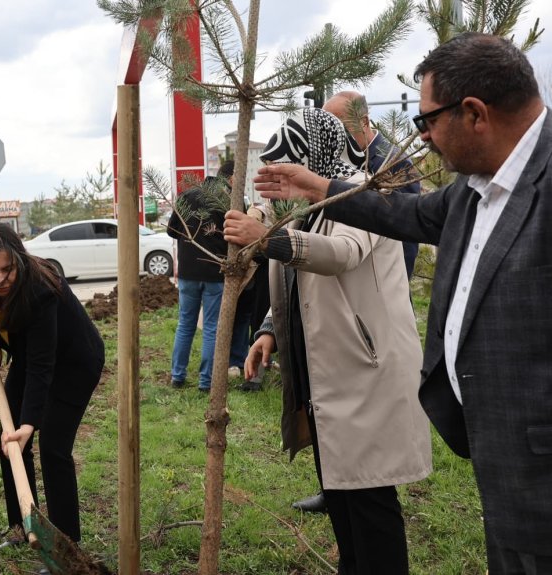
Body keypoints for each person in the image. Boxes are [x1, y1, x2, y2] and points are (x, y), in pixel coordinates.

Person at [254, 32, 552, 574]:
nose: (423, 139)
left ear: (474, 113)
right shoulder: (476, 187)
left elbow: (344, 252)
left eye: (426, 121)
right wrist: (318, 187)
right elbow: (407, 217)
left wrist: (272, 235)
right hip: (499, 448)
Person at [224, 107, 432, 574]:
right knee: (341, 495)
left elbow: (340, 255)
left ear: (311, 157)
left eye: (287, 170)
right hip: (327, 376)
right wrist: (270, 332)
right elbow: (299, 284)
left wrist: (266, 239)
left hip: (367, 367)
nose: (281, 185)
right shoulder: (306, 210)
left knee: (371, 500)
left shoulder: (365, 193)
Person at [290, 91, 425, 514]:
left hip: (371, 312)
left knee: (371, 487)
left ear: (361, 122)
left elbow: (386, 235)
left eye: (337, 128)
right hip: (338, 314)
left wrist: (378, 294)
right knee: (347, 458)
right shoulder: (326, 177)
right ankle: (336, 490)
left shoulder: (382, 166)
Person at [0, 224, 105, 550]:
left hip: (74, 363)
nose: (0, 279)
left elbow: (43, 366)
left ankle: (66, 543)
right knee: (8, 442)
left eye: (8, 269)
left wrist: (29, 423)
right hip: (34, 357)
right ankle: (22, 526)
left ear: (19, 260)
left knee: (53, 448)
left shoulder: (42, 290)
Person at [167, 161, 248, 392]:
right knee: (212, 326)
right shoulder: (231, 200)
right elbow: (240, 236)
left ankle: (177, 376)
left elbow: (171, 229)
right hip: (215, 271)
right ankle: (206, 382)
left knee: (185, 324)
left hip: (188, 272)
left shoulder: (188, 194)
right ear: (231, 179)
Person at [323, 90, 422, 278]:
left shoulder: (393, 164)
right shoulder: (341, 161)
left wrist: (394, 290)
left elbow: (405, 239)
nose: (333, 136)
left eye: (340, 127)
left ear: (364, 122)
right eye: (327, 129)